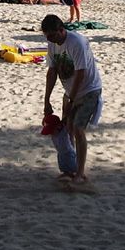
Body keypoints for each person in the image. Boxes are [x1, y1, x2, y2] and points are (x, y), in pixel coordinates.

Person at [41, 14, 102, 185]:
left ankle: (80, 173)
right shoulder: (52, 44)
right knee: (67, 128)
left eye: (53, 36)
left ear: (61, 30)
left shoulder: (77, 43)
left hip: (89, 89)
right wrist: (47, 100)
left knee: (77, 129)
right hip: (70, 92)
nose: (51, 40)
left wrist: (72, 100)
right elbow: (52, 72)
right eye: (47, 37)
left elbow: (81, 74)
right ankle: (71, 168)